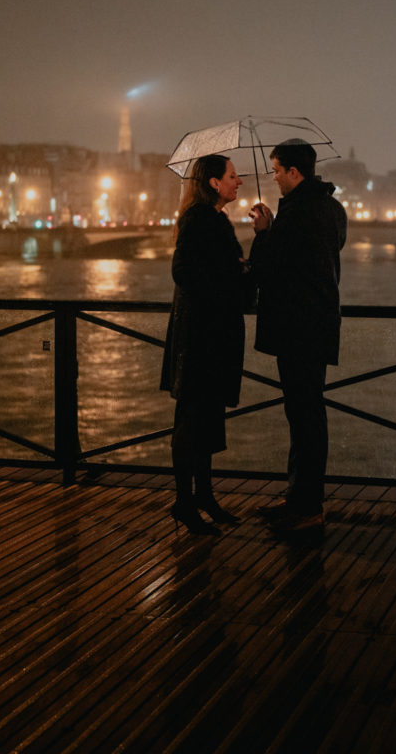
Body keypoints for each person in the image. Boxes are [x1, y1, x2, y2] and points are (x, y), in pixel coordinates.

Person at [248, 139, 347, 533]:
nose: (273, 178)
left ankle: (307, 507)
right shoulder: (332, 209)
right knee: (307, 415)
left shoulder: (299, 212)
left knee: (303, 418)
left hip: (297, 327)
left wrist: (262, 231)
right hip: (319, 324)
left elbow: (266, 268)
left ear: (293, 172)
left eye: (275, 171)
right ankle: (299, 497)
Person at [160, 154, 250, 536]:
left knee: (208, 418)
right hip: (201, 336)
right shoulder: (199, 219)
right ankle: (185, 501)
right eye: (232, 175)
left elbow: (221, 269)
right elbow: (183, 270)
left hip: (210, 334)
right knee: (193, 419)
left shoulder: (215, 219)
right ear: (214, 182)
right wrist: (228, 282)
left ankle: (203, 496)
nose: (239, 181)